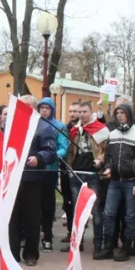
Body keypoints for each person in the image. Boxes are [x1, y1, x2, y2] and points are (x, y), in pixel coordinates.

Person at [9, 95, 57, 266]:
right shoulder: (11, 124)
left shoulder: (44, 127)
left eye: (25, 106)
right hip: (12, 177)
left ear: (34, 108)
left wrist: (38, 157)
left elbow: (50, 151)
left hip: (32, 178)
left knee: (31, 218)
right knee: (12, 218)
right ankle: (12, 254)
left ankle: (30, 253)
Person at [99, 104, 135, 261]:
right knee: (108, 213)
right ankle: (108, 246)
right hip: (114, 181)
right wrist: (107, 168)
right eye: (117, 113)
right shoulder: (112, 134)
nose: (120, 115)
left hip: (131, 181)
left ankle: (126, 247)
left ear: (129, 114)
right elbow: (108, 157)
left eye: (123, 113)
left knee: (130, 215)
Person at [65, 101, 109, 257]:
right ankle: (78, 243)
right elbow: (71, 151)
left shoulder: (101, 129)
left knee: (96, 210)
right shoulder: (75, 130)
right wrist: (69, 167)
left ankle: (98, 245)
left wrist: (100, 161)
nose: (82, 114)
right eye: (80, 112)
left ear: (91, 112)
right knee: (78, 209)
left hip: (93, 174)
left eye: (84, 111)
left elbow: (106, 150)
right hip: (76, 173)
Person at [37, 97, 69, 253]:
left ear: (52, 110)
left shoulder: (59, 126)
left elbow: (64, 148)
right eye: (41, 107)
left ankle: (47, 237)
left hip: (49, 169)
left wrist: (48, 156)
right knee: (33, 205)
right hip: (33, 170)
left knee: (48, 205)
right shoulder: (34, 124)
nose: (44, 110)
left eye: (47, 108)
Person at [60, 102, 81, 244]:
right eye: (70, 111)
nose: (72, 114)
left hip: (79, 169)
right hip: (65, 168)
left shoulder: (83, 128)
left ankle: (79, 232)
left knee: (78, 202)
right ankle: (70, 230)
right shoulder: (65, 128)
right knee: (68, 201)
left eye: (75, 111)